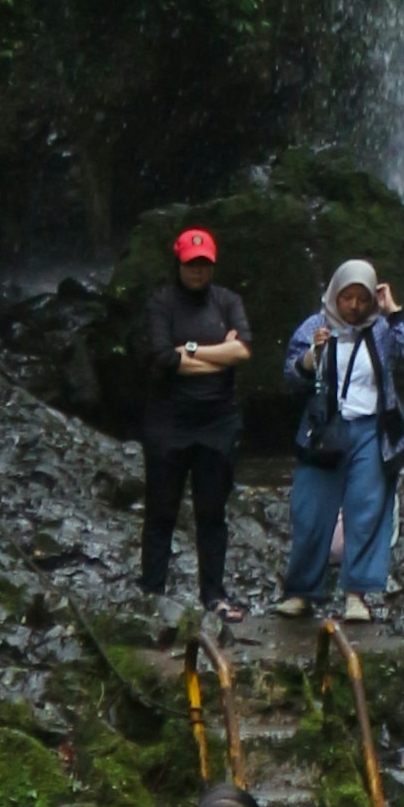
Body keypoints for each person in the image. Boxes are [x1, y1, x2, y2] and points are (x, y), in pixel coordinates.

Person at [274, 256, 404, 626]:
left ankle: (356, 595)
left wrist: (394, 311)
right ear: (335, 294)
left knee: (367, 510)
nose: (355, 307)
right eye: (348, 298)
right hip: (325, 429)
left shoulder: (383, 329)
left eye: (362, 299)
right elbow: (290, 376)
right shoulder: (315, 325)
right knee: (310, 512)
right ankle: (301, 593)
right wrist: (311, 358)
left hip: (371, 431)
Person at [137, 224, 251, 633]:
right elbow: (162, 357)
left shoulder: (227, 301)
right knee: (161, 511)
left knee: (212, 512)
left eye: (204, 264)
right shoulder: (162, 302)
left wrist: (189, 352)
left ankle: (214, 594)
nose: (197, 271)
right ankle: (151, 591)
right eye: (191, 264)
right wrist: (217, 354)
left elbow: (244, 351)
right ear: (179, 263)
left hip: (219, 423)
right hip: (169, 423)